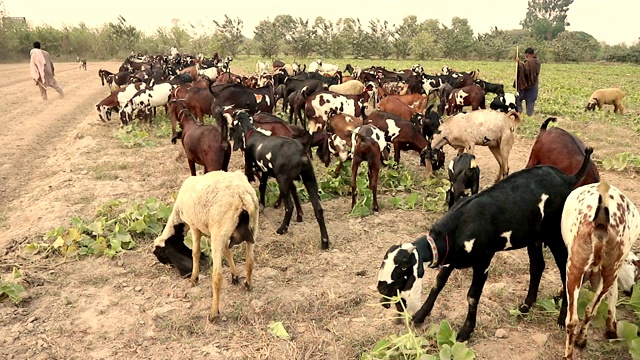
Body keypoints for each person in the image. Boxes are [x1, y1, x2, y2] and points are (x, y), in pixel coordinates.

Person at [515, 47, 541, 117]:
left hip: (525, 85)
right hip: (534, 84)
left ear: (527, 54)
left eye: (526, 54)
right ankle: (529, 116)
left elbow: (525, 71)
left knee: (518, 99)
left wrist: (519, 63)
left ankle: (519, 113)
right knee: (531, 102)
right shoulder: (538, 61)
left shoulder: (528, 61)